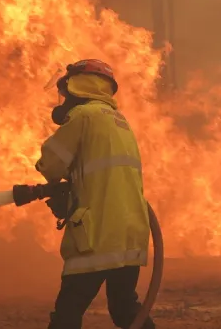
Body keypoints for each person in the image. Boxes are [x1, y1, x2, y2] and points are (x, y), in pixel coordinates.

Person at [34, 58, 155, 329]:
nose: (62, 97)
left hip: (96, 235)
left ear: (78, 87)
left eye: (64, 91)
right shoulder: (120, 122)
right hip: (130, 234)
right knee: (125, 308)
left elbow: (52, 164)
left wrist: (50, 176)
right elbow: (103, 178)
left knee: (67, 313)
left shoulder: (83, 117)